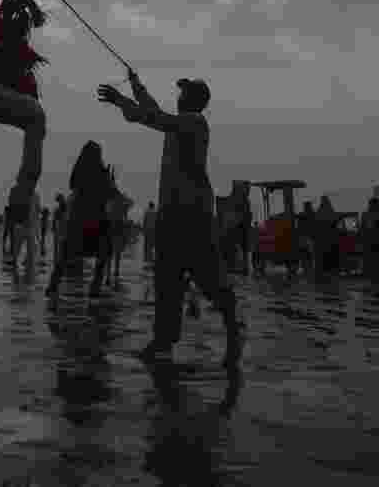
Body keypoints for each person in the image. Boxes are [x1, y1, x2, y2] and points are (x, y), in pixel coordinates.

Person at [97, 72, 241, 367]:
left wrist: (121, 98)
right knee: (167, 280)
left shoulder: (194, 123)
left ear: (193, 100)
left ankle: (233, 333)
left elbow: (155, 118)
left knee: (208, 278)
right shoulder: (180, 124)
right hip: (173, 212)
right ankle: (163, 340)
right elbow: (153, 112)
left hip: (192, 215)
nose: (179, 95)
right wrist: (136, 86)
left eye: (184, 92)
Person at [46, 141, 117, 295]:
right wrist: (110, 179)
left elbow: (73, 185)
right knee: (103, 252)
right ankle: (95, 287)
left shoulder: (78, 171)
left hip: (78, 221)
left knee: (64, 256)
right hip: (97, 221)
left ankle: (53, 285)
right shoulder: (101, 172)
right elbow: (110, 194)